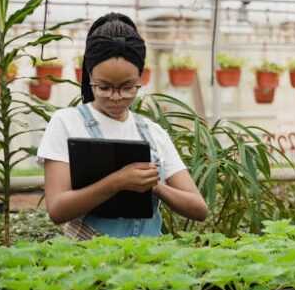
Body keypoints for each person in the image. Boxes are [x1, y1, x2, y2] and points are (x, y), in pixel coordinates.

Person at [38, 13, 207, 239]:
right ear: (89, 76)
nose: (116, 97)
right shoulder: (66, 122)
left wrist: (156, 186)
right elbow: (57, 209)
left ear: (141, 78)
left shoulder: (152, 132)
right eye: (104, 87)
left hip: (149, 261)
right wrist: (117, 182)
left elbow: (199, 208)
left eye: (128, 87)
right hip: (92, 262)